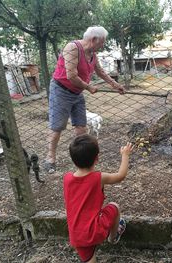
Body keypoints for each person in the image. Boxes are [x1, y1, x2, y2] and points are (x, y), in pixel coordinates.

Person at [45, 26, 125, 173]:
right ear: (94, 39)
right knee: (57, 126)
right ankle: (50, 158)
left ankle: (83, 158)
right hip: (60, 90)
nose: (103, 45)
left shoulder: (93, 54)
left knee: (81, 127)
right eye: (102, 42)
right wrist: (89, 87)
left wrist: (115, 85)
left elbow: (100, 71)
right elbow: (71, 76)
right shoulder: (72, 48)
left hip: (77, 92)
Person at [63, 134, 133, 263]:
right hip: (95, 229)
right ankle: (113, 238)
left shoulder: (67, 179)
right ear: (97, 158)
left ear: (73, 160)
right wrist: (125, 155)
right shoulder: (98, 178)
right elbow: (120, 175)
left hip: (77, 235)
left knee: (89, 259)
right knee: (114, 207)